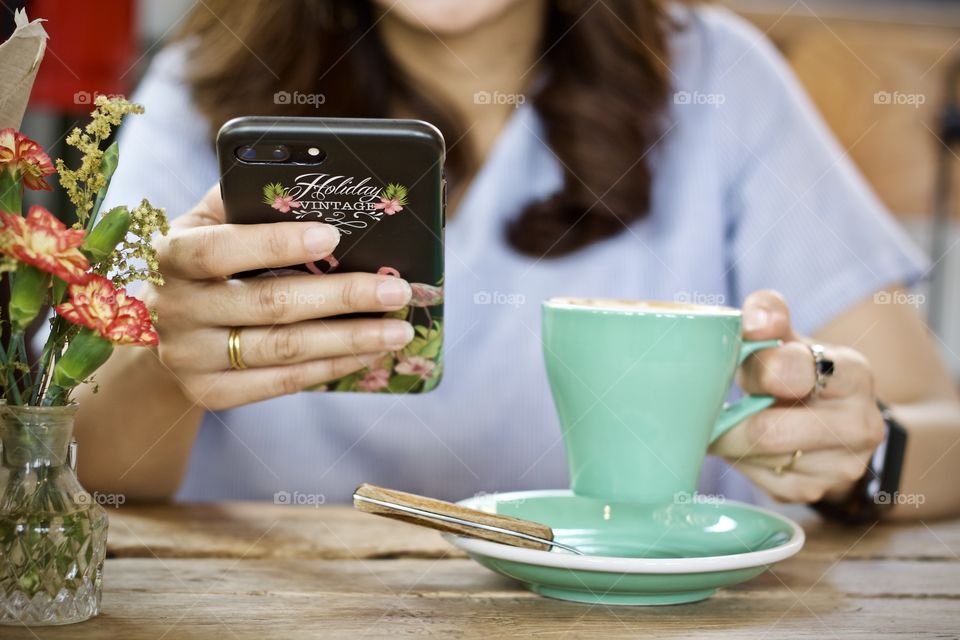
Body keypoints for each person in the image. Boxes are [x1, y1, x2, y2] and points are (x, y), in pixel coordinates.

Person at [76, 0, 960, 520]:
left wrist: (862, 459)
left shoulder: (721, 81)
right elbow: (78, 463)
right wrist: (162, 361)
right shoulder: (205, 94)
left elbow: (935, 429)